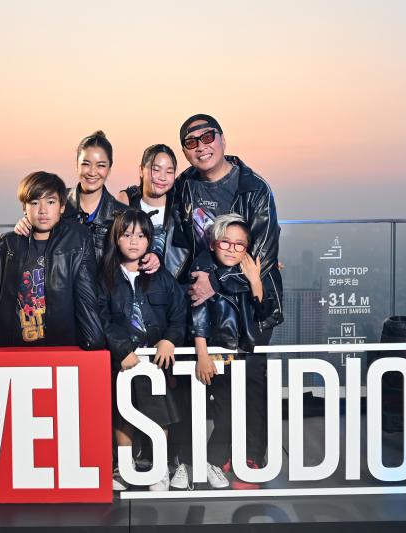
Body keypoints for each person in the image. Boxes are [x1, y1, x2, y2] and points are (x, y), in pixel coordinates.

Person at [165, 114, 283, 490]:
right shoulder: (184, 186)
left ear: (222, 140)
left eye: (207, 137)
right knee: (198, 381)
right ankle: (200, 457)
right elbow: (171, 231)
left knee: (249, 379)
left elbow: (262, 256)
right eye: (191, 142)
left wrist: (214, 282)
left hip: (246, 304)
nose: (201, 146)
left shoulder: (253, 188)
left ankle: (250, 457)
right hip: (199, 302)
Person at [0, 171, 104, 362]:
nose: (42, 210)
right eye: (34, 203)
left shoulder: (77, 241)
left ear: (62, 207)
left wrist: (95, 342)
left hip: (60, 349)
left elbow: (88, 296)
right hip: (10, 349)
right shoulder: (7, 244)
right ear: (24, 207)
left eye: (50, 202)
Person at [99, 208, 186, 492]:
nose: (134, 241)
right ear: (116, 239)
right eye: (126, 235)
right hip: (122, 361)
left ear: (150, 240)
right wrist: (121, 349)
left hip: (155, 362)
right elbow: (100, 317)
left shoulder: (162, 277)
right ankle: (123, 468)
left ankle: (159, 468)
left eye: (140, 235)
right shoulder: (105, 277)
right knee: (123, 415)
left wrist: (170, 340)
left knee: (159, 414)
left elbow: (179, 314)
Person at [187, 214, 268, 490]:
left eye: (239, 244)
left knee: (240, 409)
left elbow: (261, 313)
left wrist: (255, 281)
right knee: (225, 412)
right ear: (213, 244)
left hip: (240, 354)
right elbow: (198, 318)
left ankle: (227, 459)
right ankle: (212, 460)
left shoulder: (243, 274)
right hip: (217, 356)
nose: (232, 249)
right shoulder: (204, 274)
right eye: (225, 242)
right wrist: (202, 356)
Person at [15, 131, 128, 262]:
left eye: (101, 165)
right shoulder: (55, 202)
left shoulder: (124, 215)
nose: (92, 172)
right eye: (86, 164)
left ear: (109, 168)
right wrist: (26, 225)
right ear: (76, 165)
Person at [116, 144, 178, 275]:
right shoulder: (126, 206)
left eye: (169, 172)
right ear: (141, 170)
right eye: (156, 169)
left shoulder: (181, 210)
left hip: (170, 283)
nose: (162, 177)